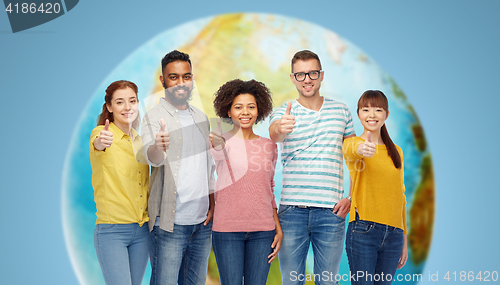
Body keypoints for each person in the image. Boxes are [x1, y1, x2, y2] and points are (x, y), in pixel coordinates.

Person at [269, 50, 355, 285]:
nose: (307, 79)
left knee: (327, 282)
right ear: (292, 78)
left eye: (312, 73)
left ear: (321, 75)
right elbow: (274, 133)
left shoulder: (341, 111)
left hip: (331, 212)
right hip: (292, 212)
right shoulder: (283, 112)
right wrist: (281, 127)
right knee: (292, 281)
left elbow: (355, 160)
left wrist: (351, 196)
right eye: (300, 74)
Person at [141, 50, 215, 285]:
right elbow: (151, 157)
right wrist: (158, 146)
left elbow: (208, 166)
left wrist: (212, 203)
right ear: (163, 80)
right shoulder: (154, 117)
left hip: (202, 224)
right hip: (168, 224)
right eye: (173, 77)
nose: (181, 83)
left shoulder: (202, 118)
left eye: (186, 76)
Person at [209, 79, 283, 285]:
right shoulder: (220, 142)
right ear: (229, 111)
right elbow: (216, 157)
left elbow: (269, 188)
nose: (245, 112)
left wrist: (277, 226)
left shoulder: (269, 146)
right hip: (227, 230)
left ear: (259, 110)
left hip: (263, 231)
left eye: (251, 107)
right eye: (238, 107)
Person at [343, 90, 408, 285]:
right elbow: (352, 151)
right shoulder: (352, 143)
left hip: (395, 235)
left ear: (386, 115)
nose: (372, 115)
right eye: (366, 109)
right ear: (359, 114)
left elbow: (401, 197)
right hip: (364, 230)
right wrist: (362, 148)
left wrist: (404, 239)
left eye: (378, 110)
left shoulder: (397, 152)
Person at [89, 80, 150, 285]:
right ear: (109, 107)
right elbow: (98, 144)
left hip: (142, 230)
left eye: (132, 101)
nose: (127, 107)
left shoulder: (140, 140)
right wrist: (101, 142)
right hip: (112, 230)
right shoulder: (102, 134)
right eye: (120, 102)